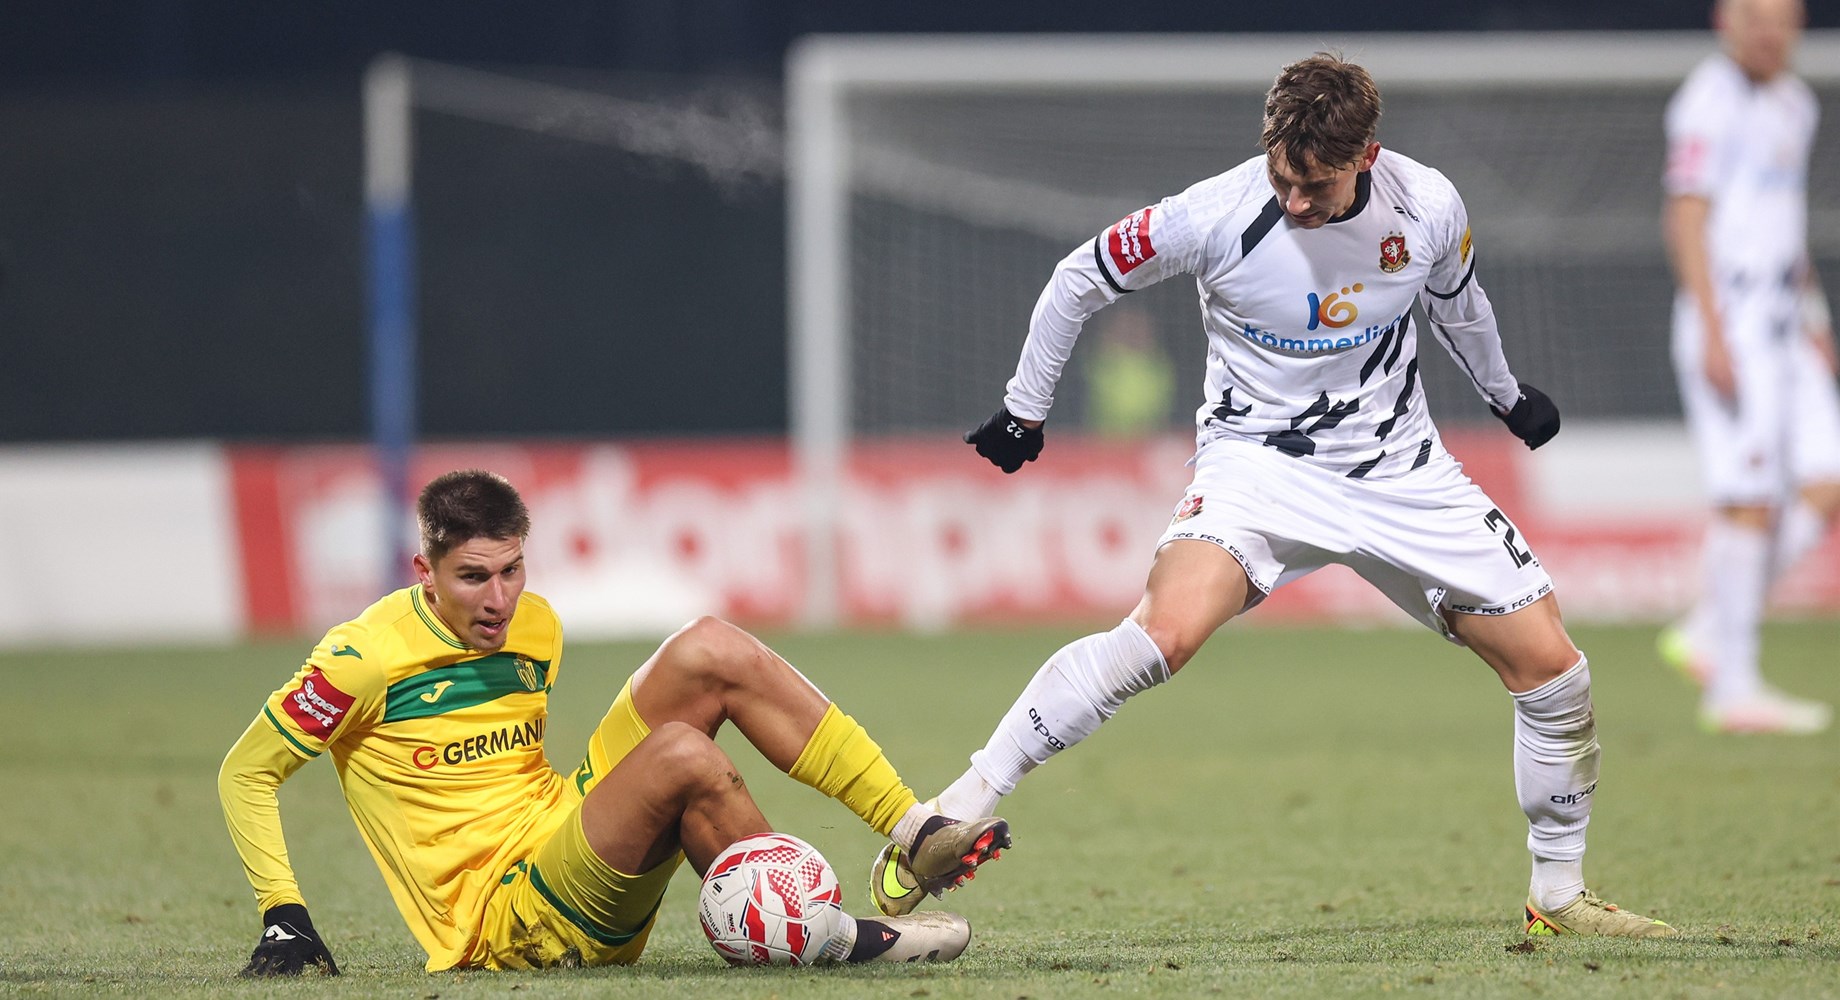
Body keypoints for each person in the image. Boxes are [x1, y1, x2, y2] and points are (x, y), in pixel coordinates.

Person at [868, 53, 1676, 939]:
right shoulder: (1213, 213)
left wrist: (1506, 393)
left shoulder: (1429, 206)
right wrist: (1025, 410)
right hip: (1258, 468)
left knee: (1556, 672)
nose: (1294, 199)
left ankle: (1557, 897)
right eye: (1283, 176)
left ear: (1367, 155)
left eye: (1315, 183)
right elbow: (1078, 278)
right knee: (1159, 637)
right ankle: (949, 809)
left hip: (1401, 472)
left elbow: (1457, 299)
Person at [219, 469, 1008, 975]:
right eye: (473, 578)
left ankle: (911, 831)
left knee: (706, 647)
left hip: (564, 841)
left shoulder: (536, 629)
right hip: (504, 924)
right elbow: (246, 772)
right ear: (423, 571)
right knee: (679, 756)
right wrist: (283, 915)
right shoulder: (361, 660)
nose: (499, 600)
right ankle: (831, 934)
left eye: (512, 570)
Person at [1658, 0, 1838, 735]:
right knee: (1748, 497)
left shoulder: (1797, 103)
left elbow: (1785, 224)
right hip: (1730, 320)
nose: (1769, 33)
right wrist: (1713, 329)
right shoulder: (1707, 100)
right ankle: (1732, 687)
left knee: (1826, 482)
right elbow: (1687, 214)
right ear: (1725, 22)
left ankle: (1707, 628)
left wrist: (1816, 319)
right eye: (1755, 18)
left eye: (1782, 19)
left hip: (1786, 321)